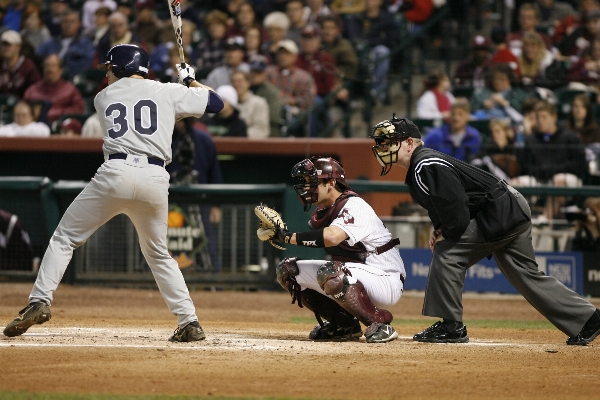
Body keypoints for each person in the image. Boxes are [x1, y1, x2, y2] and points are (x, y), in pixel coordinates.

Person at [2, 44, 224, 342]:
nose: (106, 74)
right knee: (159, 254)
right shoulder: (168, 91)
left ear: (121, 68)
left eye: (109, 68)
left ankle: (39, 300)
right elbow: (216, 104)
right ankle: (189, 321)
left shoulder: (103, 98)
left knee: (65, 237)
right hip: (155, 178)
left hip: (115, 174)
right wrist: (190, 81)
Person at [368, 114, 600, 345]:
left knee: (448, 253)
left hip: (500, 212)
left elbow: (456, 209)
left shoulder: (424, 163)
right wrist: (441, 229)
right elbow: (446, 203)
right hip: (507, 208)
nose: (383, 148)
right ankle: (589, 319)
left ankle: (452, 326)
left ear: (409, 143)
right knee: (526, 275)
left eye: (389, 142)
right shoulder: (423, 164)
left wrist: (446, 233)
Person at [264, 156, 405, 343]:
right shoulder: (326, 210)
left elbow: (332, 237)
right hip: (357, 274)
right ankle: (343, 323)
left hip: (385, 278)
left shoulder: (354, 205)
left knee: (331, 272)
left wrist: (287, 236)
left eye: (312, 182)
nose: (306, 188)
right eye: (305, 182)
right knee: (287, 270)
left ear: (331, 182)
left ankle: (379, 323)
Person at [513, 101, 588, 219]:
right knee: (514, 184)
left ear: (554, 117)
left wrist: (552, 170)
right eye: (537, 117)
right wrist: (544, 171)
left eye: (544, 117)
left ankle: (544, 221)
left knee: (558, 180)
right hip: (540, 179)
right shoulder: (531, 139)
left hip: (568, 179)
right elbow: (526, 165)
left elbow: (580, 165)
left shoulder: (569, 137)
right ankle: (518, 223)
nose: (540, 121)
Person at [167, 118, 223, 272]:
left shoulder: (203, 140)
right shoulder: (163, 139)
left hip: (200, 203)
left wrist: (216, 205)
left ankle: (215, 286)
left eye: (184, 119)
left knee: (206, 246)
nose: (181, 123)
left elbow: (215, 175)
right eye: (178, 118)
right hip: (168, 203)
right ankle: (147, 285)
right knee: (160, 248)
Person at [266, 39, 316, 136]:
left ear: (294, 57)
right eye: (280, 53)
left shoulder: (303, 76)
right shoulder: (269, 73)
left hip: (296, 113)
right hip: (272, 109)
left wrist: (291, 101)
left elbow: (309, 98)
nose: (283, 57)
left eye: (287, 54)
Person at [23, 54, 85, 123]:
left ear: (61, 70)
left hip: (60, 126)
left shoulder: (71, 90)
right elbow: (22, 107)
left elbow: (79, 109)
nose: (49, 70)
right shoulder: (32, 90)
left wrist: (59, 112)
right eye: (47, 66)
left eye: (53, 66)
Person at [36, 10, 96, 76]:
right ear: (61, 24)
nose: (68, 25)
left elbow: (89, 63)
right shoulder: (51, 42)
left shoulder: (86, 44)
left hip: (73, 78)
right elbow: (37, 57)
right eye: (65, 22)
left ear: (78, 24)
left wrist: (65, 69)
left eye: (72, 22)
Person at [249, 56, 283, 137]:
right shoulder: (244, 88)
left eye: (258, 72)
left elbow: (274, 116)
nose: (255, 75)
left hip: (268, 128)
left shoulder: (272, 92)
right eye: (253, 72)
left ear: (265, 74)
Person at [0, 30, 41, 98]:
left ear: (18, 47)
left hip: (22, 103)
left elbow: (36, 88)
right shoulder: (1, 63)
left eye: (9, 45)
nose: (6, 48)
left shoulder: (28, 66)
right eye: (3, 45)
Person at [231, 69, 269, 138]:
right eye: (234, 81)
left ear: (248, 83)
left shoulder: (259, 103)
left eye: (240, 81)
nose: (236, 84)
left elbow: (261, 131)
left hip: (250, 145)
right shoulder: (226, 104)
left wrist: (237, 133)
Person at [194, 10, 229, 77]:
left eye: (218, 24)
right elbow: (199, 67)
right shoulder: (203, 46)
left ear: (225, 27)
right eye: (211, 25)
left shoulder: (230, 44)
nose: (214, 28)